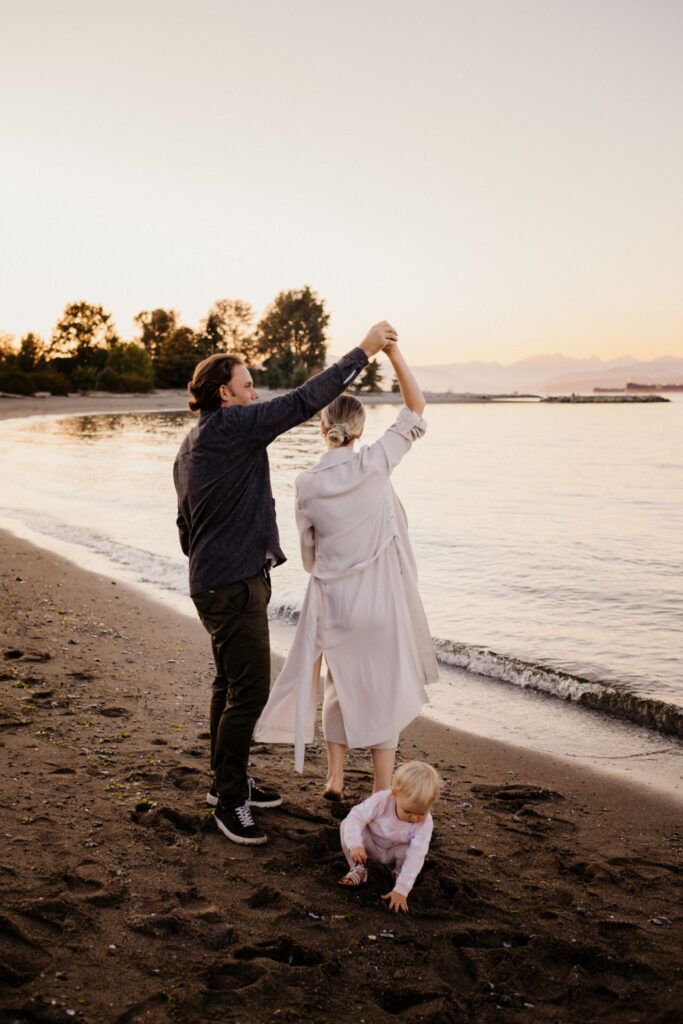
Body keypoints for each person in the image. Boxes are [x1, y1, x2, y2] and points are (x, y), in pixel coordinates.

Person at [173, 322, 396, 846]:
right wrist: (365, 350)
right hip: (231, 584)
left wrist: (219, 557)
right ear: (225, 394)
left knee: (227, 685)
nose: (256, 394)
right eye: (248, 385)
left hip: (213, 580)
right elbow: (303, 402)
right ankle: (230, 803)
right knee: (247, 691)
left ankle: (226, 782)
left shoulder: (191, 444)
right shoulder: (233, 427)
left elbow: (185, 527)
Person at [255, 342, 438, 794]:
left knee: (338, 682)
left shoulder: (306, 483)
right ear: (359, 431)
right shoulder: (375, 464)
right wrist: (393, 353)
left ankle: (335, 778)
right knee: (385, 690)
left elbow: (308, 552)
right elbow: (416, 407)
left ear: (322, 427)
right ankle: (379, 788)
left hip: (335, 602)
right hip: (378, 601)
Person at [339, 760, 441, 913]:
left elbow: (416, 855)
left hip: (394, 853)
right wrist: (355, 844)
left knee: (414, 850)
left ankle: (398, 874)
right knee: (347, 824)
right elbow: (356, 816)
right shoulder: (381, 801)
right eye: (408, 811)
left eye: (421, 813)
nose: (414, 818)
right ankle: (358, 868)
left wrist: (402, 889)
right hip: (369, 846)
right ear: (394, 794)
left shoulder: (425, 823)